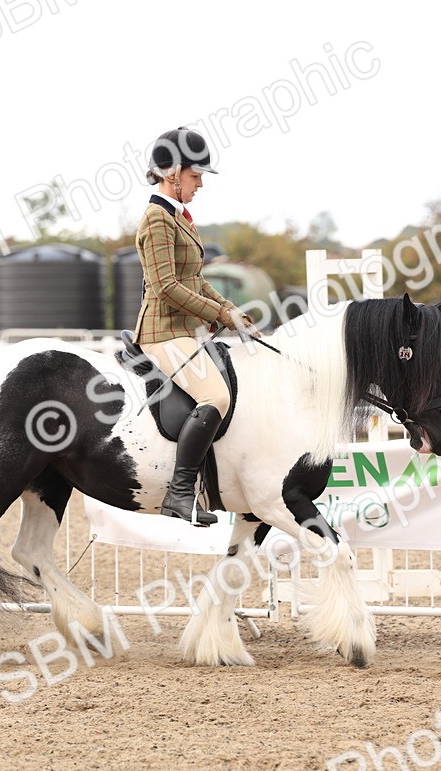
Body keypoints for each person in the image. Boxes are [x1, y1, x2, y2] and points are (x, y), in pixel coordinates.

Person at [133, 127, 258, 527]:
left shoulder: (180, 218)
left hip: (184, 332)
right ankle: (180, 493)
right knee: (216, 397)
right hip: (162, 333)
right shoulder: (156, 219)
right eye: (195, 175)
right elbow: (167, 287)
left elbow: (195, 280)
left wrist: (230, 310)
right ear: (171, 173)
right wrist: (220, 316)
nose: (200, 183)